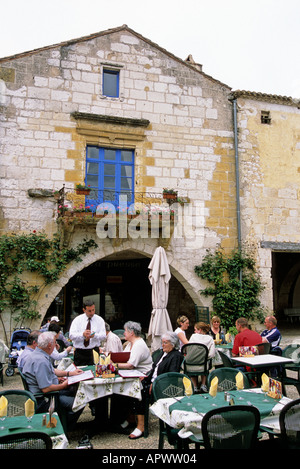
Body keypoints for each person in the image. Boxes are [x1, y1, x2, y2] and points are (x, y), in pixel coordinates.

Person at [22, 331, 84, 432]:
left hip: (45, 394)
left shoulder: (37, 354)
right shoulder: (40, 360)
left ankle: (63, 421)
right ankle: (63, 427)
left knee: (74, 391)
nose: (56, 345)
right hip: (46, 399)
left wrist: (69, 374)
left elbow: (51, 371)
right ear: (50, 345)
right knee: (81, 401)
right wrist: (63, 385)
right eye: (55, 342)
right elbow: (46, 388)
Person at [114, 321, 152, 440]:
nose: (124, 333)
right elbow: (124, 357)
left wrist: (114, 365)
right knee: (117, 390)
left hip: (144, 377)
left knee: (132, 390)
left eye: (125, 331)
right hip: (133, 375)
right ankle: (130, 417)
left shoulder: (139, 344)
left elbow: (130, 364)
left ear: (131, 332)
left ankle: (141, 425)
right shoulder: (130, 343)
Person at [69, 299, 106, 366]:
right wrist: (82, 335)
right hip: (80, 352)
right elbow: (71, 335)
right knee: (79, 373)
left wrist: (94, 336)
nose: (92, 313)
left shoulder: (99, 320)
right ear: (84, 310)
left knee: (95, 372)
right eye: (89, 311)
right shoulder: (77, 320)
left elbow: (103, 336)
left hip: (94, 351)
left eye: (93, 310)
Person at [188, 322, 216, 392]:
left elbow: (188, 350)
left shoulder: (193, 336)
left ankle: (194, 386)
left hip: (190, 365)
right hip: (203, 365)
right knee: (204, 361)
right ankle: (203, 384)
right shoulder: (210, 338)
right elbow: (212, 354)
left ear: (199, 330)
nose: (194, 331)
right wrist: (205, 357)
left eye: (195, 330)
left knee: (193, 360)